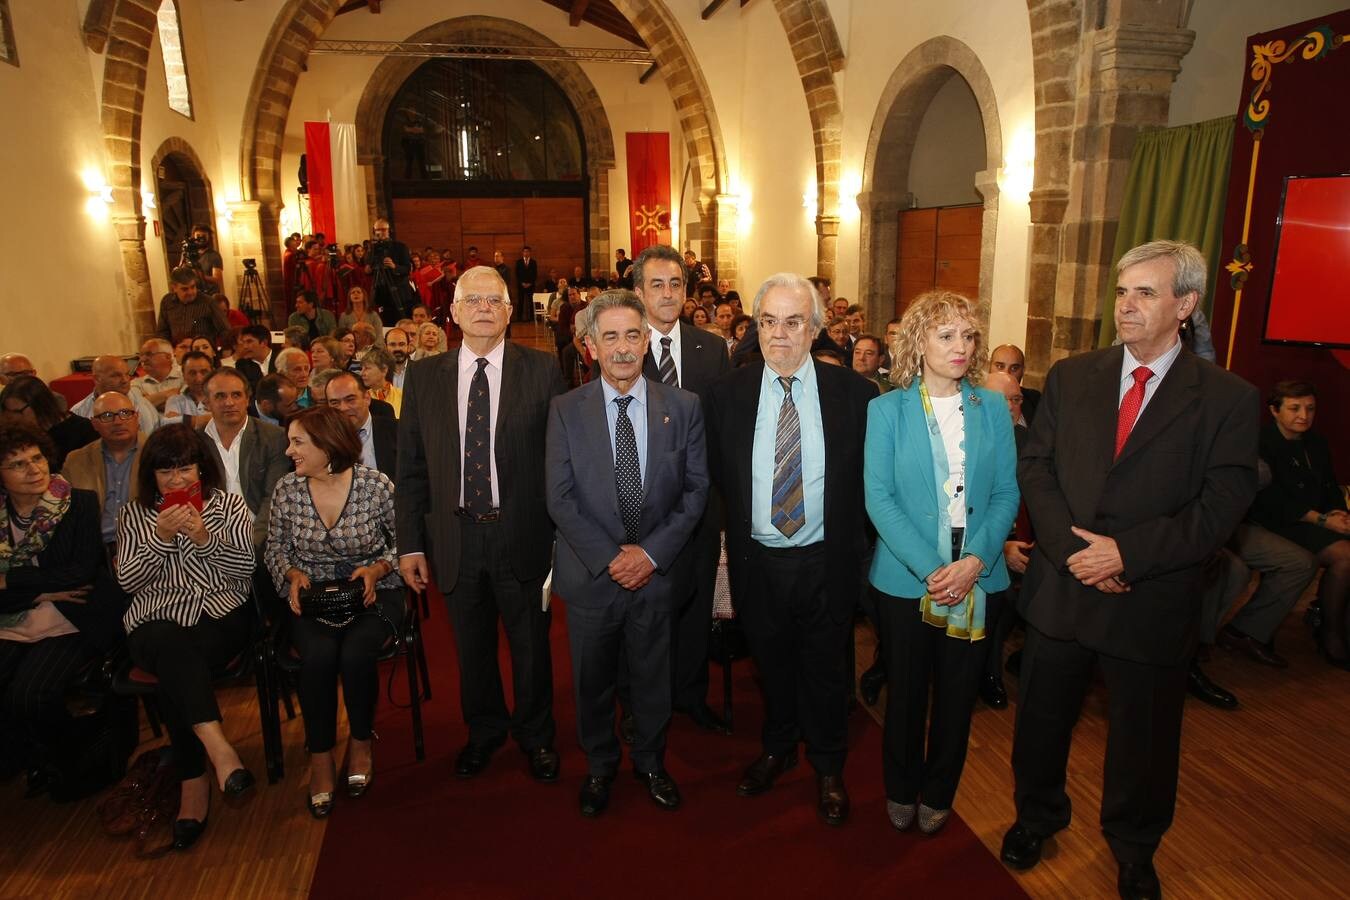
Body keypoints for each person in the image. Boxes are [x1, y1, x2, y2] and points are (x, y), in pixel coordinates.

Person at [1001, 240, 1259, 900]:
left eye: (1145, 293)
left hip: (1152, 598)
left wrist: (1129, 555)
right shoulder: (1072, 375)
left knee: (1143, 743)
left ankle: (1135, 848)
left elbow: (1221, 505)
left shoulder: (1227, 398)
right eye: (1121, 292)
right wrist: (1073, 551)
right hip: (1063, 587)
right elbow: (1038, 469)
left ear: (1186, 305)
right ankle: (1036, 817)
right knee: (1041, 723)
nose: (1126, 305)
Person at [704, 273, 877, 827]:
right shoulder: (726, 395)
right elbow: (713, 480)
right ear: (756, 328)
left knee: (827, 669)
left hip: (825, 560)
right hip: (759, 561)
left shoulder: (855, 394)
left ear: (816, 329)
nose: (780, 334)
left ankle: (828, 765)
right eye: (769, 322)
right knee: (772, 665)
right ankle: (777, 748)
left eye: (794, 321)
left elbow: (871, 485)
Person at [397, 266, 566, 786]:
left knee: (532, 647)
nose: (485, 308)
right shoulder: (424, 377)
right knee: (470, 648)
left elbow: (559, 460)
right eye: (473, 300)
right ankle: (485, 730)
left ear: (511, 311)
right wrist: (409, 545)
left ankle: (537, 736)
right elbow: (411, 469)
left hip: (522, 533)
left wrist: (562, 538)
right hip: (455, 535)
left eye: (495, 300)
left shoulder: (542, 369)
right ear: (453, 312)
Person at [545, 289, 709, 818]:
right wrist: (613, 558)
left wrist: (650, 556)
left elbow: (696, 491)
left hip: (658, 575)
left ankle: (652, 762)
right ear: (589, 346)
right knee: (591, 680)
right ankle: (599, 765)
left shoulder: (683, 407)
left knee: (652, 677)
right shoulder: (565, 410)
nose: (621, 348)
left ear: (647, 342)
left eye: (632, 335)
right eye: (609, 336)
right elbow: (560, 497)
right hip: (593, 575)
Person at [863, 291, 1018, 836]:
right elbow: (878, 498)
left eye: (967, 335)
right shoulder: (885, 409)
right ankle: (901, 787)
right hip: (909, 576)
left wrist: (974, 560)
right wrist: (935, 570)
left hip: (977, 574)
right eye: (945, 335)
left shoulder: (992, 407)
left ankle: (939, 791)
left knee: (957, 698)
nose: (960, 346)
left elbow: (1006, 494)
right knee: (905, 693)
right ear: (919, 341)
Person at [116, 424, 258, 851]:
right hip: (156, 619)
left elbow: (244, 570)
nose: (177, 480)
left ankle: (194, 781)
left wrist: (202, 537)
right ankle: (218, 751)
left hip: (219, 614)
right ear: (151, 476)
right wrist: (160, 539)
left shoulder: (228, 505)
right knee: (173, 646)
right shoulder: (135, 514)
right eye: (165, 472)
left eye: (185, 469)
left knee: (180, 665)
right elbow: (127, 581)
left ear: (202, 467)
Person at [265, 406, 402, 818]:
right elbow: (275, 548)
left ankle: (360, 742)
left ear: (327, 446)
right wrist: (290, 575)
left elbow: (407, 543)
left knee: (357, 653)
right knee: (319, 656)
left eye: (298, 442)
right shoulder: (287, 490)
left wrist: (378, 568)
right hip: (312, 597)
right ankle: (321, 756)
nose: (290, 451)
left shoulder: (375, 486)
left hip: (371, 592)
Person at [628, 244, 731, 735]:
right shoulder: (623, 345)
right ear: (638, 292)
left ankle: (690, 695)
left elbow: (721, 429)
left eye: (675, 285)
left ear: (687, 291)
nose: (667, 294)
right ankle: (643, 702)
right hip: (641, 510)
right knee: (644, 612)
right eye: (656, 285)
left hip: (701, 505)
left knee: (693, 603)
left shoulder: (711, 349)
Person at [0, 423, 127, 791]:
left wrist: (10, 580)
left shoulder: (79, 502)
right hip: (14, 617)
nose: (34, 469)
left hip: (73, 618)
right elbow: (58, 579)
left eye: (37, 458)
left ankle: (74, 755)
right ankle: (27, 756)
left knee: (29, 694)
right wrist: (40, 591)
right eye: (18, 464)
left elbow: (79, 573)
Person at [1247, 379, 1349, 667]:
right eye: (1294, 408)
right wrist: (1324, 520)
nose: (1303, 416)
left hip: (1315, 521)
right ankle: (1331, 632)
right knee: (1345, 556)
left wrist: (1340, 514)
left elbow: (1329, 486)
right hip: (1276, 521)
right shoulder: (1261, 442)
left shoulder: (1316, 442)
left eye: (1310, 408)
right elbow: (1270, 500)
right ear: (1275, 410)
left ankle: (1328, 616)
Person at [199, 368, 290, 549]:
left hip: (259, 537)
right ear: (206, 402)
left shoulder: (274, 437)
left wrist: (251, 545)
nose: (229, 402)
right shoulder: (194, 441)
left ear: (247, 399)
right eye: (220, 396)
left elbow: (273, 497)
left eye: (236, 395)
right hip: (207, 539)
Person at [63, 392, 145, 556]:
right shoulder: (76, 460)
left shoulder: (158, 453)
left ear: (137, 417)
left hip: (146, 547)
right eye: (107, 416)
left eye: (125, 413)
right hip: (93, 551)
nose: (118, 421)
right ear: (94, 423)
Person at [0, 376, 97, 473]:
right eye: (7, 413)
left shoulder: (84, 431)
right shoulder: (17, 434)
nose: (12, 418)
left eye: (17, 412)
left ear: (40, 405)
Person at [325, 371, 397, 481]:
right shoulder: (321, 440)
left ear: (367, 398)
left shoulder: (398, 432)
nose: (343, 408)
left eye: (350, 400)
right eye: (335, 403)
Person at [70, 355, 159, 438]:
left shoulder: (143, 406)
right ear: (97, 379)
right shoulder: (79, 412)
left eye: (127, 374)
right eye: (116, 375)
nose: (125, 380)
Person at [156, 267, 231, 347]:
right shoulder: (167, 302)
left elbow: (225, 330)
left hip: (203, 353)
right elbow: (162, 332)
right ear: (174, 287)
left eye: (193, 287)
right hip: (177, 352)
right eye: (185, 289)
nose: (190, 292)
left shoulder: (208, 302)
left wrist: (225, 349)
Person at [989, 344, 1040, 425]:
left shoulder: (1035, 400)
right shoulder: (974, 400)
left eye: (1014, 368)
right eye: (1000, 366)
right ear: (989, 367)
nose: (1006, 373)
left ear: (1023, 371)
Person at [163, 351, 213, 427]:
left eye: (204, 372)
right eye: (192, 373)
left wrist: (183, 419)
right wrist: (209, 418)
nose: (199, 379)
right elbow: (168, 424)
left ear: (212, 373)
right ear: (183, 375)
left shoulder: (223, 398)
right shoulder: (175, 401)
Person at [134, 339, 184, 412]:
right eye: (141, 355)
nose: (142, 359)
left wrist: (149, 400)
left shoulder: (185, 375)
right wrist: (169, 393)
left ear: (168, 356)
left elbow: (189, 405)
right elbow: (136, 406)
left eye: (149, 354)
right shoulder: (137, 383)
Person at [359, 347, 401, 417]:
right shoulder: (362, 399)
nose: (361, 373)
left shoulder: (402, 396)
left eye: (367, 368)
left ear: (384, 370)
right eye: (361, 368)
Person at [186, 223, 225, 296]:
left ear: (209, 237)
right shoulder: (189, 255)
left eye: (203, 236)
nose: (200, 239)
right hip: (193, 295)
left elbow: (217, 280)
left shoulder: (214, 256)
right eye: (198, 236)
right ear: (193, 237)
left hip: (210, 296)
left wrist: (200, 275)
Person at [232, 326, 276, 390]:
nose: (245, 346)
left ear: (263, 343)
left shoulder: (281, 359)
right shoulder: (242, 365)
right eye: (243, 342)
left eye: (249, 341)